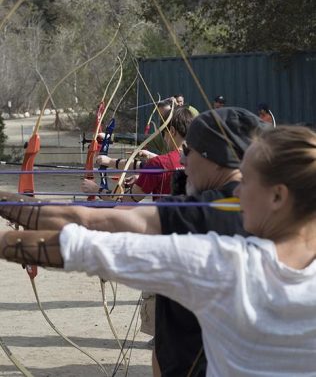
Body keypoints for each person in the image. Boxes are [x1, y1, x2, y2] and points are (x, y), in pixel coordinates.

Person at [1, 125, 316, 376]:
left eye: (246, 182)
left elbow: (87, 245)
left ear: (277, 197)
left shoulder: (221, 262)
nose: (239, 192)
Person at [82, 106, 194, 202]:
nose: (164, 139)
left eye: (164, 134)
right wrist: (110, 162)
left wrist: (97, 190)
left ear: (172, 131)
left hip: (167, 224)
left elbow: (124, 201)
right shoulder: (204, 159)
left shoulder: (158, 163)